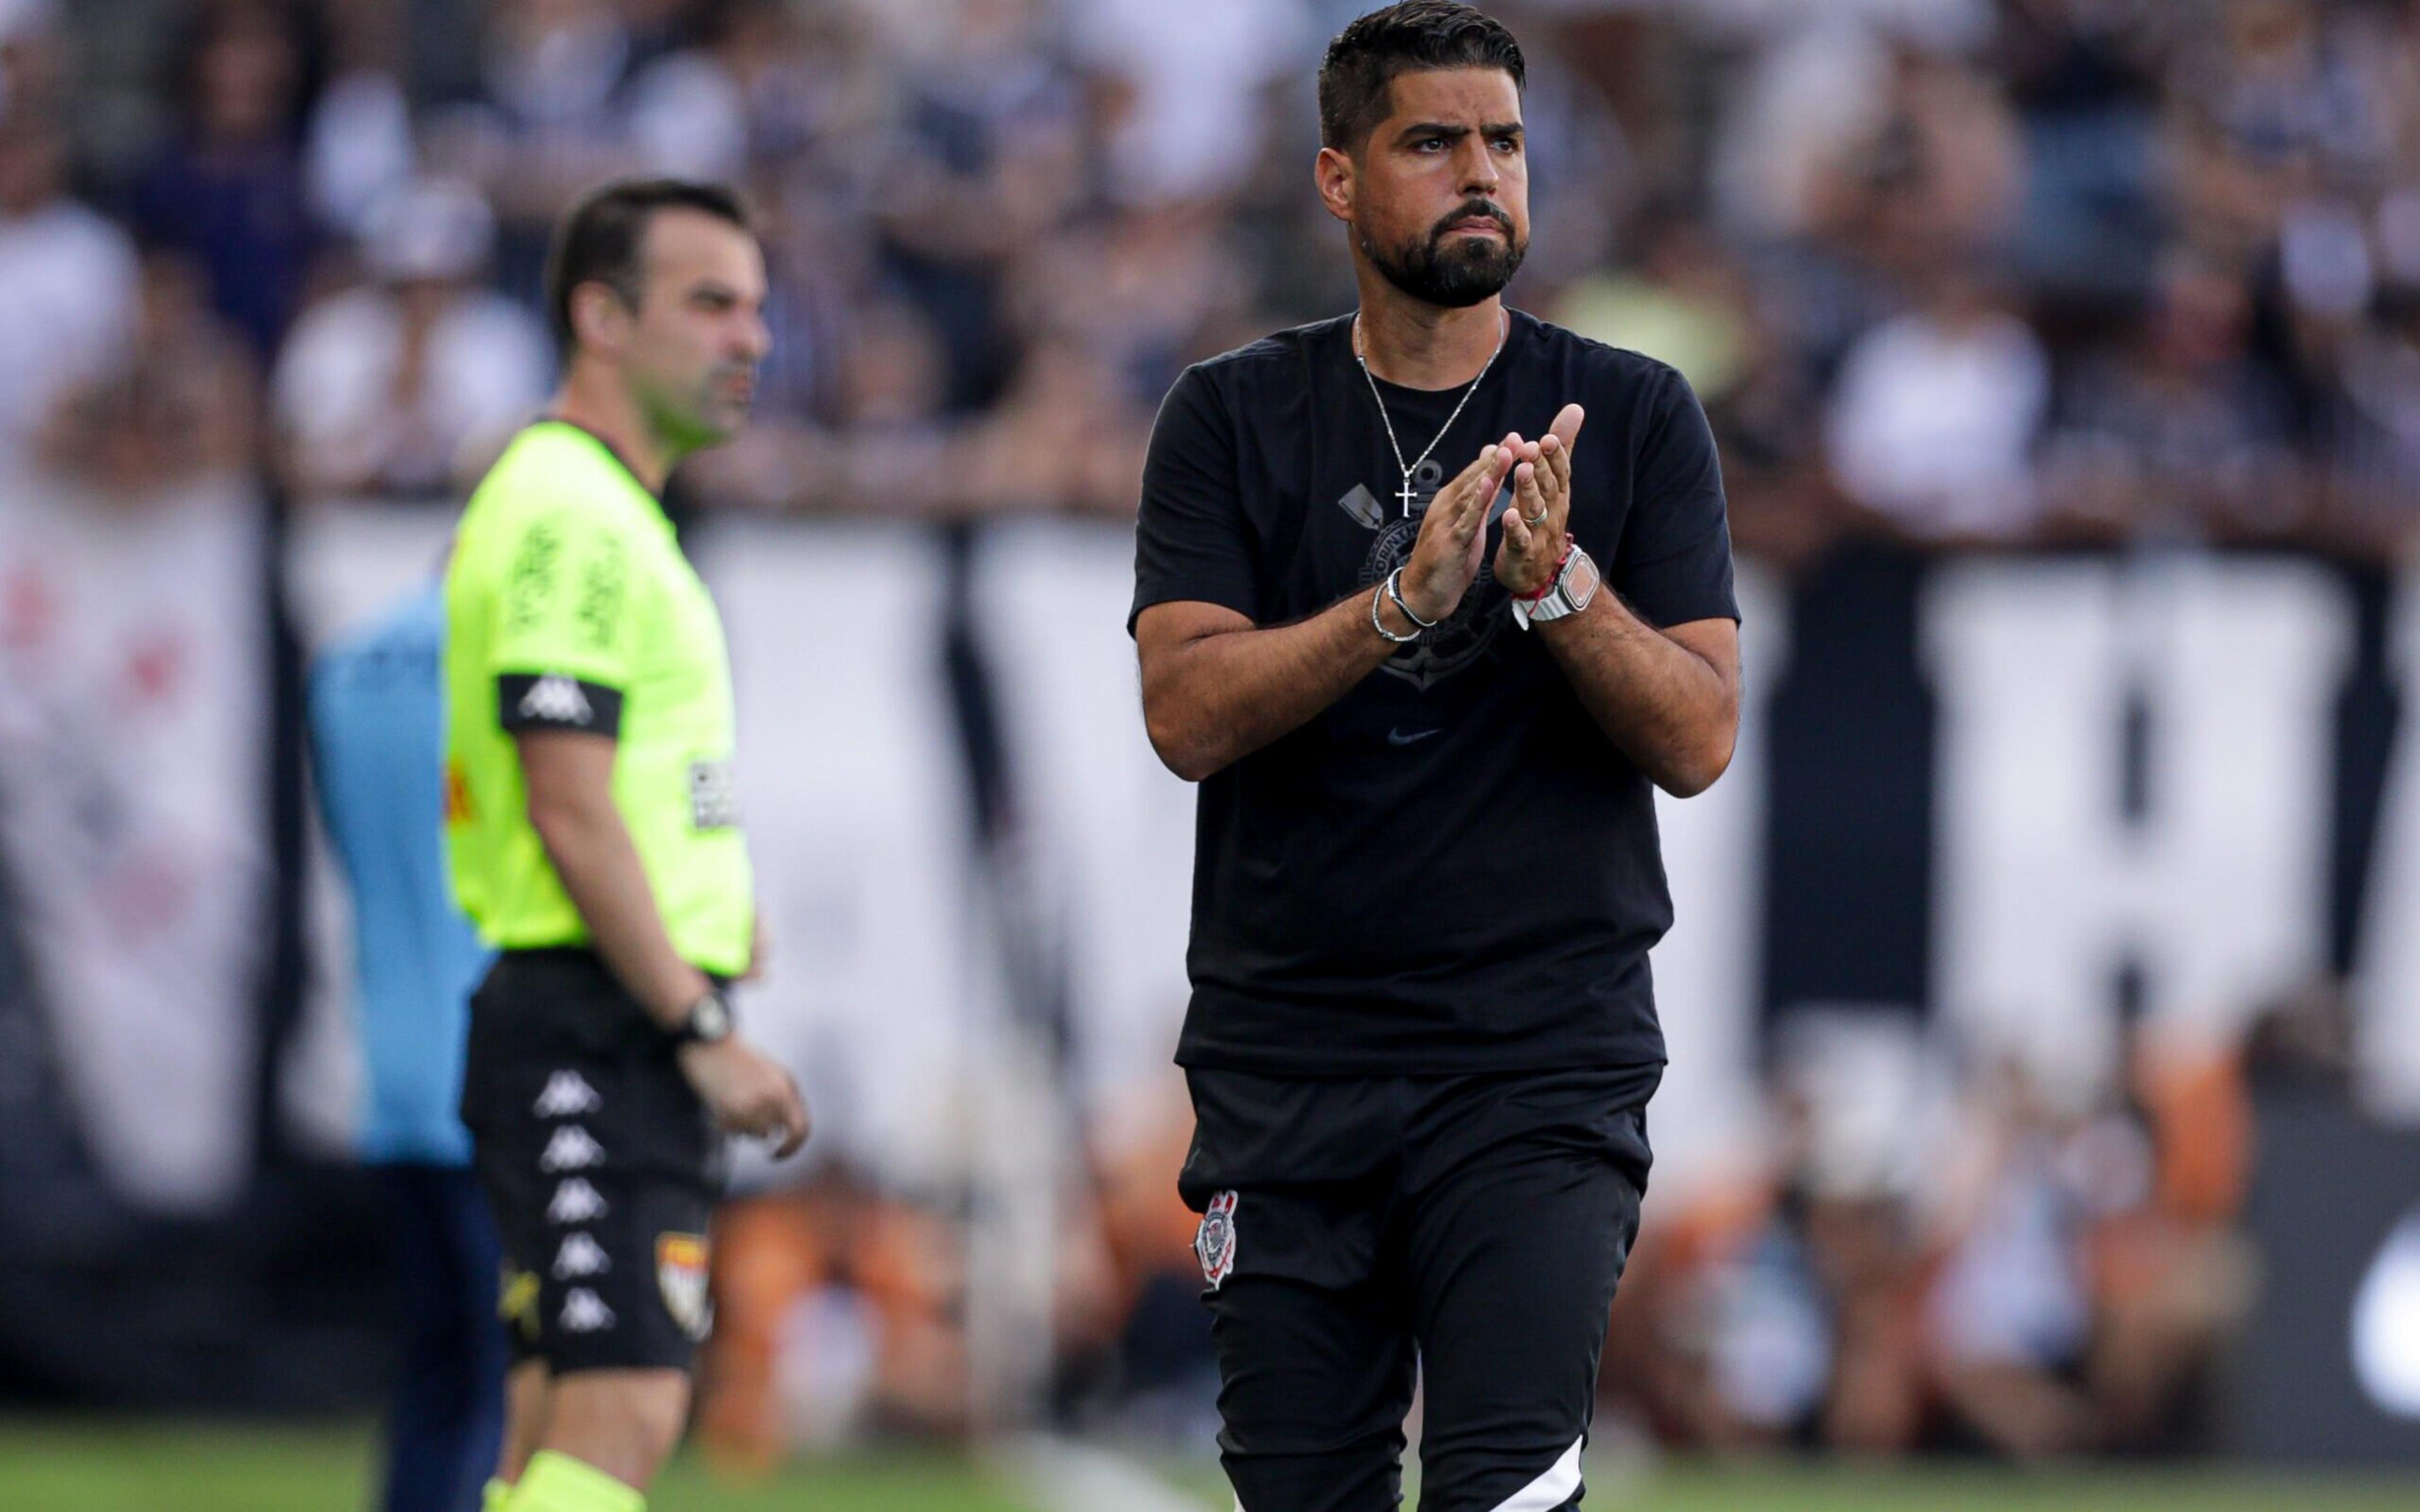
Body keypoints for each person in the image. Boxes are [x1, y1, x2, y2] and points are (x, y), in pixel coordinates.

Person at [1128, 4, 1742, 1508]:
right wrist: (1400, 604)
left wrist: (1558, 588)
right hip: (1289, 1064)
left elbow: (1700, 735)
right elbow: (1186, 716)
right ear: (1339, 179)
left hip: (1536, 1063)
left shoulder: (1636, 416)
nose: (1482, 173)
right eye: (1434, 142)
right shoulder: (1230, 416)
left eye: (1506, 143)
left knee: (1508, 1491)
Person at [442, 177, 809, 1512]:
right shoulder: (572, 511)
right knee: (622, 1422)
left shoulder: (601, 509)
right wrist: (700, 1023)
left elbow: (623, 791)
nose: (751, 340)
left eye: (760, 309)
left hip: (591, 1018)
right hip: (591, 1028)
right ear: (600, 316)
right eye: (710, 303)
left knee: (555, 1435)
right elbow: (566, 798)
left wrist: (716, 908)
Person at [311, 580, 507, 1512]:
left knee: (434, 1374)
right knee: (507, 1378)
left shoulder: (347, 663)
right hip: (495, 1068)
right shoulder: (511, 658)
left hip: (388, 1066)